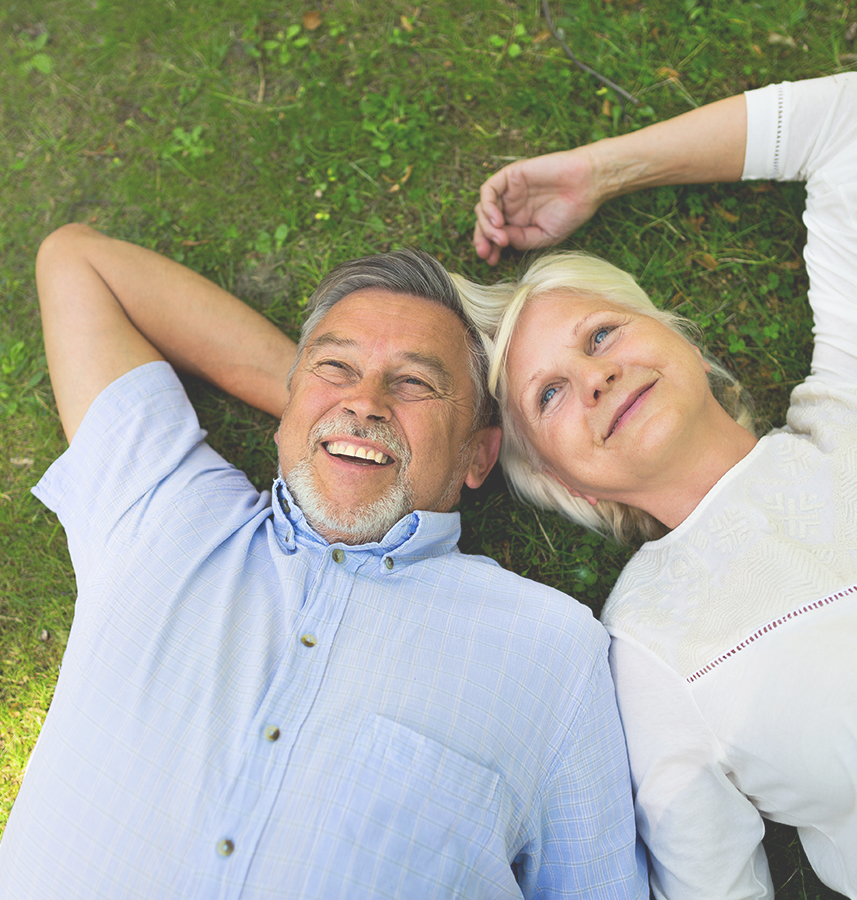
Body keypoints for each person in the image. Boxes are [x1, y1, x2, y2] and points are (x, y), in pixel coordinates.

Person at [0, 225, 649, 899]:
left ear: (479, 455)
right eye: (334, 367)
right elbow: (78, 262)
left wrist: (336, 416)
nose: (365, 399)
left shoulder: (551, 651)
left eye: (415, 382)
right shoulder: (164, 510)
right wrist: (328, 423)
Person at [462, 72, 857, 900]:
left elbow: (843, 124)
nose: (594, 377)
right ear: (567, 484)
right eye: (548, 395)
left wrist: (601, 172)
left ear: (682, 344)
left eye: (602, 333)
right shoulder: (650, 650)